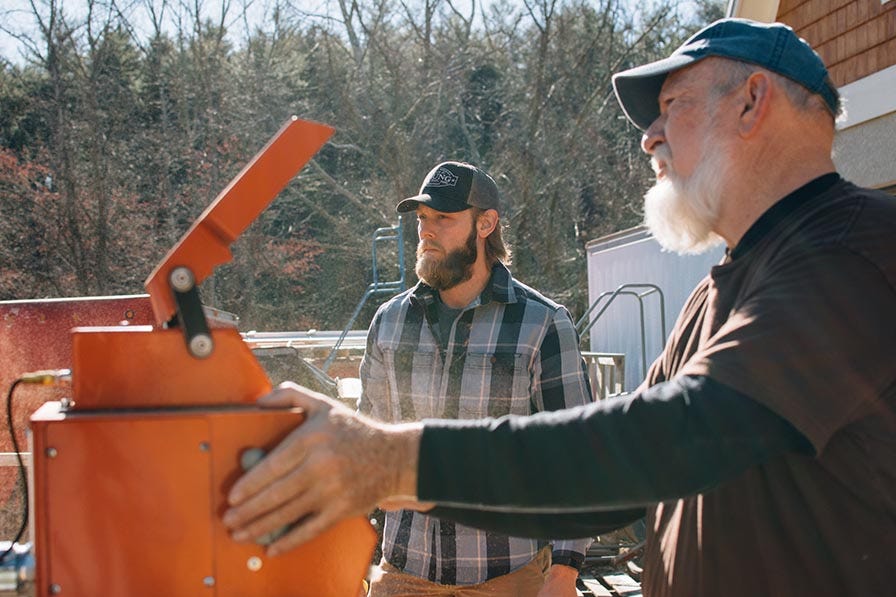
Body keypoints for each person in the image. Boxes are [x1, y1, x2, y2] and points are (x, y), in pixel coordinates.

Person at [223, 18, 896, 597]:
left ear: (753, 101)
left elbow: (677, 438)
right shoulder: (723, 286)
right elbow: (614, 481)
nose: (649, 138)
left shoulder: (851, 252)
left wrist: (392, 461)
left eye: (672, 105)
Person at [360, 161, 592, 596]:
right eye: (422, 219)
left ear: (486, 224)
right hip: (403, 575)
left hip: (510, 577)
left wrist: (564, 571)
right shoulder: (389, 323)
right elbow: (367, 445)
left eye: (443, 219)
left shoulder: (542, 324)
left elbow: (579, 453)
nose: (425, 231)